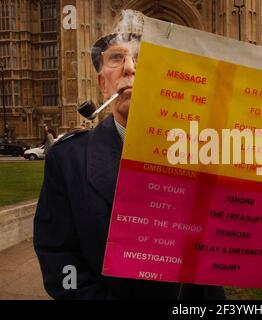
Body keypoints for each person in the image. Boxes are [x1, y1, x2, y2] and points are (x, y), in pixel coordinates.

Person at [34, 10, 225, 300]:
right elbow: (59, 258)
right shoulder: (67, 159)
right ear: (101, 84)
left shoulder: (203, 152)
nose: (130, 68)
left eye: (141, 58)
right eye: (116, 58)